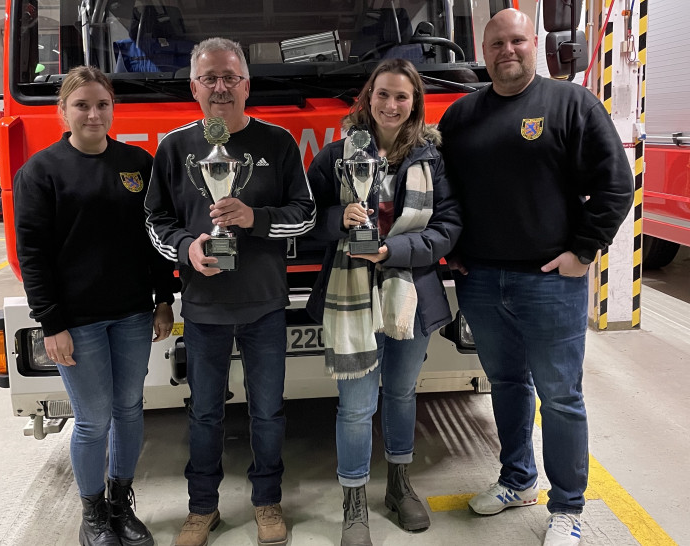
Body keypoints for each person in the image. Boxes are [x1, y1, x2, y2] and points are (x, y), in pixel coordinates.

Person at [437, 9, 634, 546]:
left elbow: (616, 184)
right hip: (481, 280)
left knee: (560, 396)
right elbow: (445, 193)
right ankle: (517, 480)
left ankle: (568, 507)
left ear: (535, 44)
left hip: (551, 282)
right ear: (483, 48)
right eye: (496, 42)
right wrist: (452, 250)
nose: (507, 50)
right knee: (506, 386)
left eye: (517, 40)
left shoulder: (571, 104)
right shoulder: (460, 116)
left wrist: (584, 251)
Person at [144, 38, 316, 546]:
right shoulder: (175, 147)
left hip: (264, 304)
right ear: (194, 86)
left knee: (268, 410)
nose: (221, 87)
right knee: (204, 412)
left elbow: (304, 216)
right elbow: (156, 221)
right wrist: (187, 250)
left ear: (247, 84)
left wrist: (254, 218)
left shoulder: (279, 143)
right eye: (210, 78)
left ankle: (267, 501)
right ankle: (203, 509)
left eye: (230, 77)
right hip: (202, 307)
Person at [14, 66, 178, 546]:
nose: (93, 113)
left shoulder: (137, 164)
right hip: (76, 322)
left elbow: (153, 241)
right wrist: (51, 323)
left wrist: (163, 299)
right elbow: (33, 255)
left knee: (130, 409)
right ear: (63, 111)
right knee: (93, 418)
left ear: (113, 109)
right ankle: (91, 515)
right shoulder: (40, 172)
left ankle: (119, 504)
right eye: (81, 105)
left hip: (131, 313)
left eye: (102, 104)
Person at [306, 58, 462, 546]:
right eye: (383, 94)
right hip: (349, 295)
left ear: (414, 102)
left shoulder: (432, 158)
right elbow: (307, 218)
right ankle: (354, 502)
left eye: (402, 96)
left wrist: (392, 249)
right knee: (355, 406)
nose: (391, 105)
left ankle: (398, 485)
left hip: (409, 295)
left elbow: (448, 227)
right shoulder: (335, 154)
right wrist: (339, 218)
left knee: (400, 394)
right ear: (367, 98)